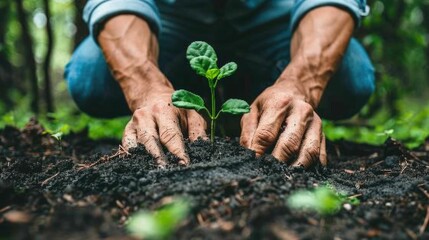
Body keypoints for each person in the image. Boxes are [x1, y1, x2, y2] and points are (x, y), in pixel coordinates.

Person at [65, 0, 375, 168]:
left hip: (272, 17)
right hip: (171, 16)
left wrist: (300, 85)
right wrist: (147, 88)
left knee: (351, 77)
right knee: (91, 76)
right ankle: (186, 101)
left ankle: (258, 101)